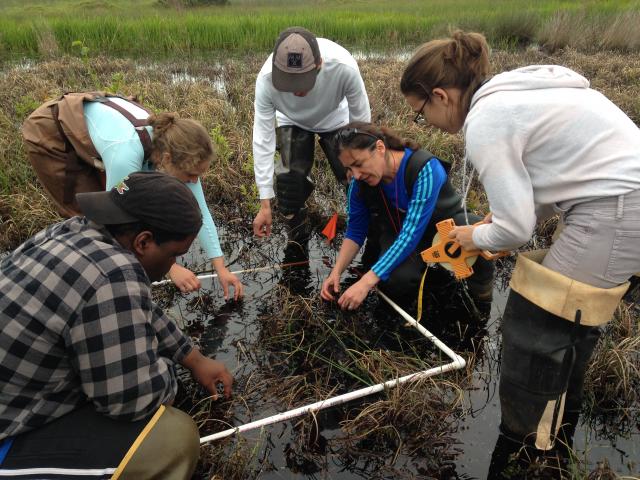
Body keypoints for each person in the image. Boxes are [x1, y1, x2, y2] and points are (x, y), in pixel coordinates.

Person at [401, 30, 640, 471]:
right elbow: (564, 172)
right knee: (567, 326)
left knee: (539, 328)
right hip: (617, 201)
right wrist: (504, 221)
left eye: (421, 114)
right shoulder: (513, 95)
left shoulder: (489, 120)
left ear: (439, 95)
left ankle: (528, 451)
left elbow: (515, 231)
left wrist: (472, 237)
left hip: (619, 210)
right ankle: (555, 431)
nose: (425, 124)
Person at [0, 172, 233, 479]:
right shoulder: (114, 273)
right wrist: (162, 369)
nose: (174, 263)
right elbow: (134, 401)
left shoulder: (72, 230)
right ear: (144, 242)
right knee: (172, 438)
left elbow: (137, 310)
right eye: (175, 254)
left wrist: (194, 358)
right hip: (9, 431)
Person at [22, 92, 243, 299]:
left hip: (102, 131)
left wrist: (221, 268)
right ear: (166, 159)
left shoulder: (178, 153)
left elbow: (200, 210)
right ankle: (88, 286)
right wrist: (170, 268)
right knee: (88, 217)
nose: (194, 181)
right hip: (52, 131)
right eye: (191, 175)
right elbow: (115, 220)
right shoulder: (125, 153)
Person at [320, 122, 494, 313]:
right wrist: (336, 272)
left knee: (479, 238)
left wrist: (365, 283)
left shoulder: (425, 169)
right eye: (349, 169)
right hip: (400, 232)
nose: (356, 175)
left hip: (443, 227)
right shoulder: (358, 183)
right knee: (395, 280)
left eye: (359, 164)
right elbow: (355, 230)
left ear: (380, 147)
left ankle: (482, 300)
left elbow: (410, 234)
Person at [252, 26, 371, 252]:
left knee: (354, 178)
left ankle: (364, 226)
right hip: (291, 120)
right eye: (289, 83)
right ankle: (298, 236)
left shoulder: (344, 67)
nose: (296, 91)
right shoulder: (266, 80)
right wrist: (264, 202)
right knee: (289, 185)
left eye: (303, 82)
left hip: (336, 118)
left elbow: (363, 126)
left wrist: (360, 164)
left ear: (319, 65)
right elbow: (262, 139)